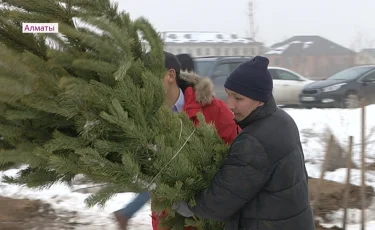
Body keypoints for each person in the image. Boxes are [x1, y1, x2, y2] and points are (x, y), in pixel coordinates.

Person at [173, 56, 316, 230]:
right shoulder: (283, 120)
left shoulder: (254, 141)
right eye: (229, 95)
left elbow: (223, 197)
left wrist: (189, 206)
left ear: (260, 100)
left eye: (238, 98)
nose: (230, 105)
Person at [113, 52, 239, 230]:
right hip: (167, 220)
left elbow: (240, 154)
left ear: (170, 76)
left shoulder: (212, 109)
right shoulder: (143, 119)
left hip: (209, 220)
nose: (142, 85)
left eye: (148, 77)